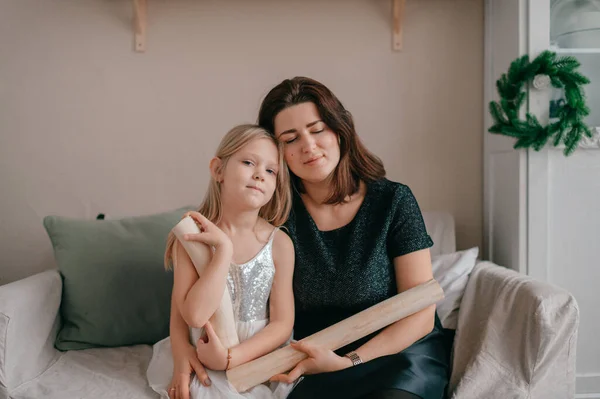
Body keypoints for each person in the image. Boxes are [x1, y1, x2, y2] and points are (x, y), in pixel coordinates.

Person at [171, 77, 451, 399]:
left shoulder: (393, 202)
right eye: (290, 139)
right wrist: (182, 353)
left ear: (339, 130)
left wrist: (348, 362)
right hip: (311, 360)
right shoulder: (274, 212)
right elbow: (193, 284)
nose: (308, 146)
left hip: (398, 355)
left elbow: (420, 312)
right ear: (278, 153)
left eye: (317, 130)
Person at [146, 124, 296, 399]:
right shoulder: (191, 237)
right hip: (204, 355)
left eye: (270, 170)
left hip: (256, 356)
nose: (259, 175)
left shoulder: (280, 244)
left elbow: (282, 323)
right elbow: (189, 315)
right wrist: (223, 252)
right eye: (249, 162)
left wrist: (231, 358)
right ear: (218, 170)